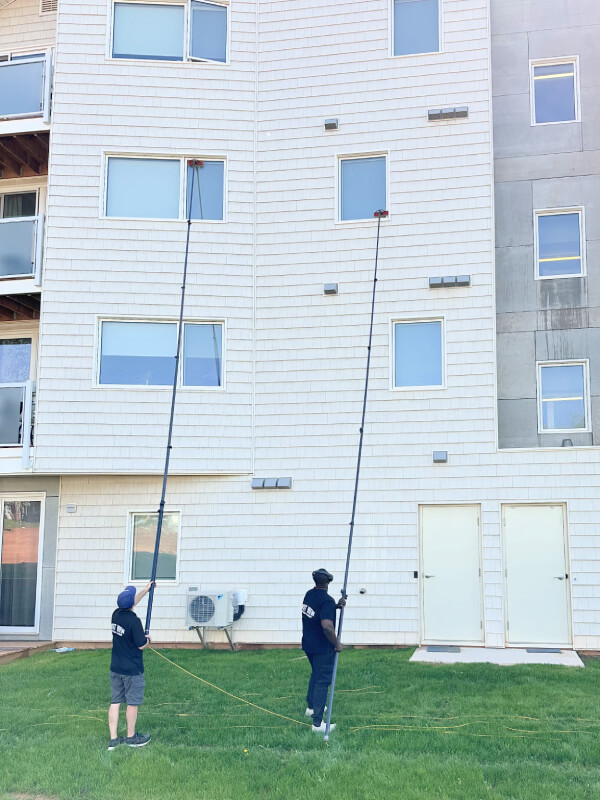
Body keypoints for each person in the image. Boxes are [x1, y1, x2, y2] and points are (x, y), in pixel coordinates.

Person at [108, 581, 154, 750]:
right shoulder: (134, 621)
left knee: (115, 701)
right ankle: (131, 737)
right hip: (132, 669)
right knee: (132, 703)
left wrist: (146, 590)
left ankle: (113, 739)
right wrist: (148, 640)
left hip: (116, 667)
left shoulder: (116, 615)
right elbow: (141, 645)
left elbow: (131, 602)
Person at [301, 568, 345, 733]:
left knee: (316, 673)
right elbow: (327, 627)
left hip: (308, 644)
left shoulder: (309, 595)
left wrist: (336, 606)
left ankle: (311, 707)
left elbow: (317, 611)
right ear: (328, 582)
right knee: (322, 681)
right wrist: (337, 644)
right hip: (322, 647)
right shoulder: (326, 600)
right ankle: (317, 724)